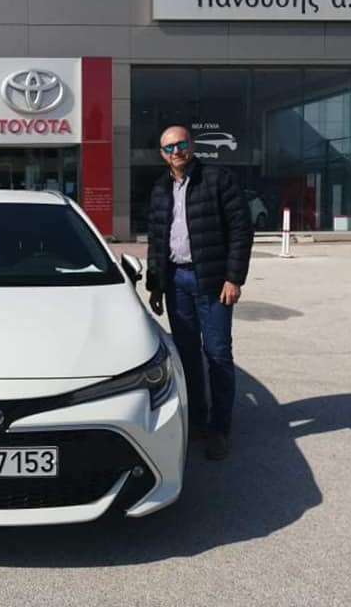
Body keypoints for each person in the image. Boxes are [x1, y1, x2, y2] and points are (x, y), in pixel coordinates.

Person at [146, 125, 252, 460]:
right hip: (176, 281)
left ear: (191, 146)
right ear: (162, 154)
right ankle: (198, 421)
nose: (176, 151)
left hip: (213, 281)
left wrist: (234, 278)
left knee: (217, 354)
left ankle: (220, 429)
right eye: (169, 147)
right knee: (187, 355)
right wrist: (156, 285)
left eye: (181, 144)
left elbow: (241, 230)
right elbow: (156, 239)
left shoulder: (217, 179)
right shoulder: (160, 188)